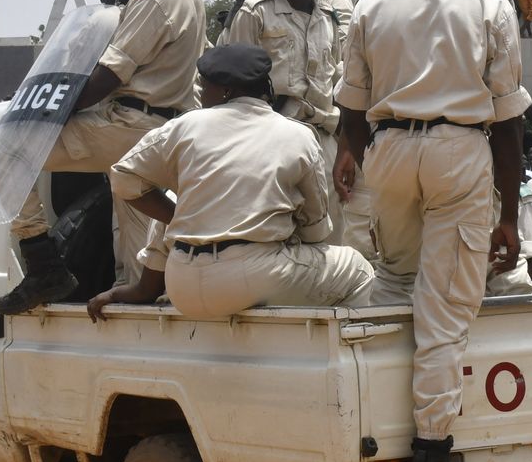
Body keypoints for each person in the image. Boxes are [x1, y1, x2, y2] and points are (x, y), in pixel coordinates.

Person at [334, 0, 530, 462]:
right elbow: (507, 120)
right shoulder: (487, 0)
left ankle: (368, 424)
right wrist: (507, 214)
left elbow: (352, 110)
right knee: (444, 315)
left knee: (394, 286)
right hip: (459, 151)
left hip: (387, 153)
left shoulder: (371, 4)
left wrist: (352, 156)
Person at [0, 0, 204, 315]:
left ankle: (41, 263)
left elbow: (110, 74)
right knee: (134, 228)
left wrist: (51, 110)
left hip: (130, 125)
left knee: (8, 147)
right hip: (159, 130)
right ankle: (138, 298)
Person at [110, 44, 371, 319]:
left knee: (176, 195)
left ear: (226, 91)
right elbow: (316, 233)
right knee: (359, 270)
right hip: (256, 278)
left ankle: (147, 289)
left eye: (204, 86)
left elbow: (123, 177)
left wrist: (179, 219)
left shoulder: (184, 126)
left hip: (182, 284)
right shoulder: (298, 135)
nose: (201, 94)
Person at [223, 0, 350, 229]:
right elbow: (234, 85)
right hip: (269, 142)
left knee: (329, 237)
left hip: (323, 143)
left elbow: (337, 83)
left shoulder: (327, 18)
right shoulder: (256, 12)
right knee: (274, 234)